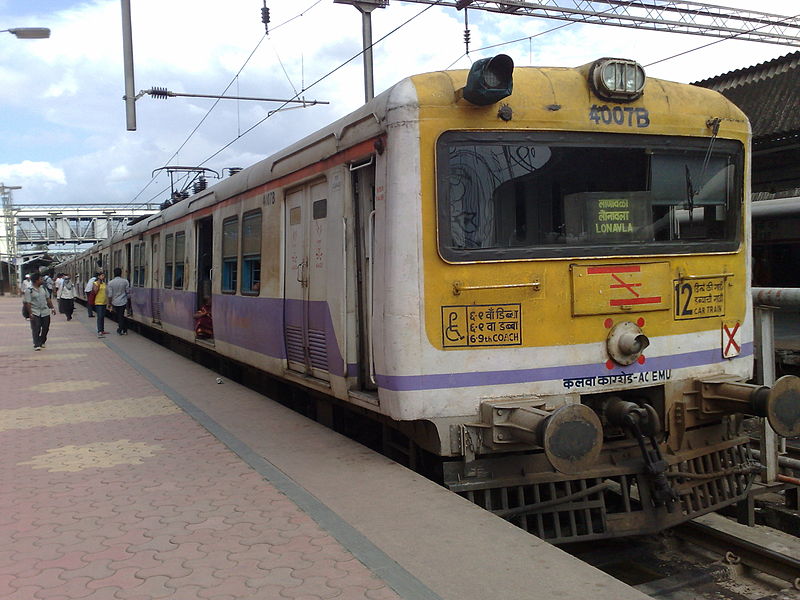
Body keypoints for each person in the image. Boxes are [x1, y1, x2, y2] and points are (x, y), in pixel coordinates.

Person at [23, 272, 55, 351]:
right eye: (41, 279)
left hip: (45, 311)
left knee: (46, 328)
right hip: (35, 312)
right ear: (36, 281)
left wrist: (52, 308)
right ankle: (36, 344)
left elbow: (48, 299)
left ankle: (42, 341)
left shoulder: (43, 289)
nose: (42, 280)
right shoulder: (29, 290)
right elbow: (28, 303)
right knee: (36, 328)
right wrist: (30, 313)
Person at [106, 267, 131, 335]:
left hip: (115, 302)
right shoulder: (125, 281)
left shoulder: (110, 283)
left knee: (119, 316)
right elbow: (128, 292)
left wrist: (109, 303)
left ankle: (120, 329)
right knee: (121, 315)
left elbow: (110, 295)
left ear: (114, 273)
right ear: (121, 273)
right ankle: (124, 329)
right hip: (123, 301)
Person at [92, 272, 109, 337]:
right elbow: (95, 291)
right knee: (100, 316)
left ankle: (102, 329)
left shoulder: (104, 284)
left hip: (104, 302)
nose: (103, 277)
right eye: (102, 276)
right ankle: (99, 330)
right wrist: (98, 285)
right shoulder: (95, 283)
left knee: (103, 316)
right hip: (98, 302)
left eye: (103, 276)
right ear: (99, 276)